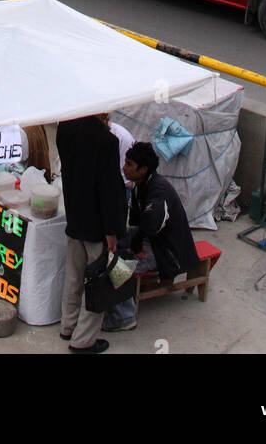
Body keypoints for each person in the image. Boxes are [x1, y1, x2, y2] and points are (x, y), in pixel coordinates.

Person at [102, 141, 200, 332]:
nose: (124, 167)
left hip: (166, 250)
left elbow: (151, 226)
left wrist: (135, 248)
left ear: (143, 169)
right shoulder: (140, 185)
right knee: (105, 245)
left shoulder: (159, 192)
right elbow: (136, 226)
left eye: (129, 164)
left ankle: (125, 317)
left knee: (117, 266)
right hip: (150, 238)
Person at [57, 114, 128, 354]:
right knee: (98, 282)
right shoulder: (106, 141)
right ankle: (83, 340)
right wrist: (111, 230)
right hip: (97, 225)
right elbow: (108, 190)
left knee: (73, 275)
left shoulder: (65, 128)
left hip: (75, 216)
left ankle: (67, 325)